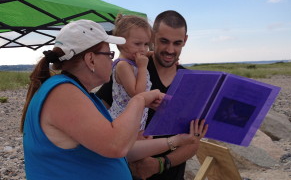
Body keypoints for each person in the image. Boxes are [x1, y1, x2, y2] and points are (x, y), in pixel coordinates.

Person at [21, 19, 207, 180]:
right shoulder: (62, 92)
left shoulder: (78, 93)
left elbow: (125, 150)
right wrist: (140, 100)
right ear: (90, 60)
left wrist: (176, 140)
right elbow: (116, 146)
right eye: (109, 54)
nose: (113, 60)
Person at [96, 10, 207, 179]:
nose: (170, 50)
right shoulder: (131, 69)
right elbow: (99, 117)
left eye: (177, 43)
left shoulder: (192, 83)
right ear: (153, 37)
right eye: (164, 41)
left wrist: (159, 165)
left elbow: (193, 142)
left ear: (185, 41)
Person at [108, 14, 152, 130]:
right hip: (123, 122)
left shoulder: (134, 58)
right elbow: (137, 94)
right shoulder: (123, 65)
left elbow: (147, 53)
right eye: (137, 44)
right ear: (120, 43)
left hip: (135, 119)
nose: (143, 49)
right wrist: (142, 68)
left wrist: (158, 56)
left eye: (146, 44)